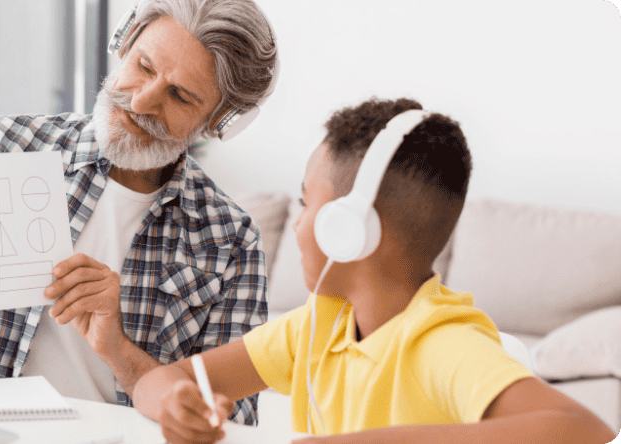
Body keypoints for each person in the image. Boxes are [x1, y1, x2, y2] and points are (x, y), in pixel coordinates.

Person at [0, 0, 276, 425]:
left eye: (179, 95)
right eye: (143, 66)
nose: (142, 102)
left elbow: (224, 427)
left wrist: (117, 347)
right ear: (123, 43)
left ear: (217, 121)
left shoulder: (230, 241)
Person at [132, 97, 617, 443]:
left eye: (306, 202)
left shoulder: (441, 342)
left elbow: (585, 430)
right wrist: (176, 403)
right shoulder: (317, 327)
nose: (298, 223)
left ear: (351, 229)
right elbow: (158, 382)